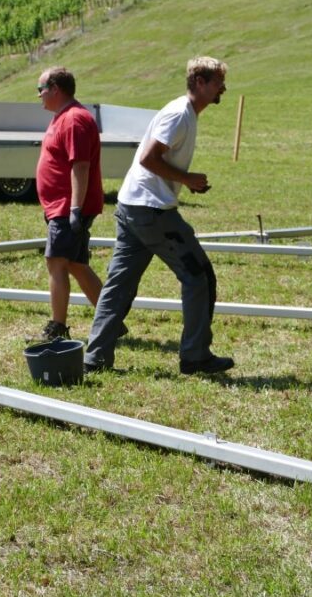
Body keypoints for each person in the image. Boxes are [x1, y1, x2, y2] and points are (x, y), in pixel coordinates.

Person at [84, 56, 234, 375]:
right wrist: (187, 178)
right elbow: (148, 159)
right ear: (199, 83)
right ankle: (195, 355)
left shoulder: (185, 113)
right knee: (198, 276)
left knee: (119, 285)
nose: (224, 87)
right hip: (150, 210)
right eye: (218, 81)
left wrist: (182, 179)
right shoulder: (180, 114)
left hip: (132, 206)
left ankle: (95, 357)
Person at [33, 66, 105, 342]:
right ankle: (110, 319)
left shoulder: (74, 119)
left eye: (41, 90)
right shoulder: (62, 117)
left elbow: (81, 166)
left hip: (68, 207)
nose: (38, 96)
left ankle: (57, 327)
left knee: (56, 262)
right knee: (75, 264)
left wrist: (75, 208)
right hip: (61, 206)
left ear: (55, 89)